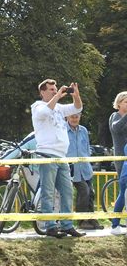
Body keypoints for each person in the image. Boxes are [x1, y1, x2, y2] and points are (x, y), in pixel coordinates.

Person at [31, 79, 85, 238]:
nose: (55, 91)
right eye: (51, 89)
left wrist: (76, 95)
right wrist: (58, 96)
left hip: (62, 156)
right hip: (47, 154)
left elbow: (78, 107)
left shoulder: (60, 108)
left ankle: (67, 225)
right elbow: (44, 113)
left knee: (67, 191)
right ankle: (50, 226)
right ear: (42, 92)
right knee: (48, 192)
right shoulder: (37, 106)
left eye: (56, 89)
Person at [66, 113, 102, 230]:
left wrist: (88, 159)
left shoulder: (83, 130)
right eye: (72, 117)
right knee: (84, 191)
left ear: (80, 117)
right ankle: (82, 221)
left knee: (91, 193)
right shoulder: (62, 130)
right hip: (72, 168)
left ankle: (91, 219)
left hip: (85, 167)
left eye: (76, 117)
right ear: (67, 117)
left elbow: (86, 147)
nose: (74, 119)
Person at [108, 91, 127, 234]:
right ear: (119, 103)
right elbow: (116, 128)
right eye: (126, 102)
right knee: (124, 189)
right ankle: (115, 224)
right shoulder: (115, 116)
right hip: (121, 158)